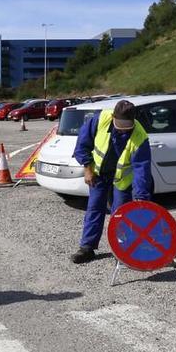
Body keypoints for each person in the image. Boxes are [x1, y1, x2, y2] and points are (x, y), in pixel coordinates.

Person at [70, 100, 153, 263]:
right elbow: (82, 145)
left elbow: (141, 170)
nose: (122, 129)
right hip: (98, 174)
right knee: (94, 209)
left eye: (127, 126)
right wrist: (87, 169)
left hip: (122, 180)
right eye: (119, 124)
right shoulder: (100, 119)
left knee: (121, 215)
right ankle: (87, 248)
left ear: (134, 120)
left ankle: (121, 250)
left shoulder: (140, 136)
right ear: (113, 116)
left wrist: (141, 197)